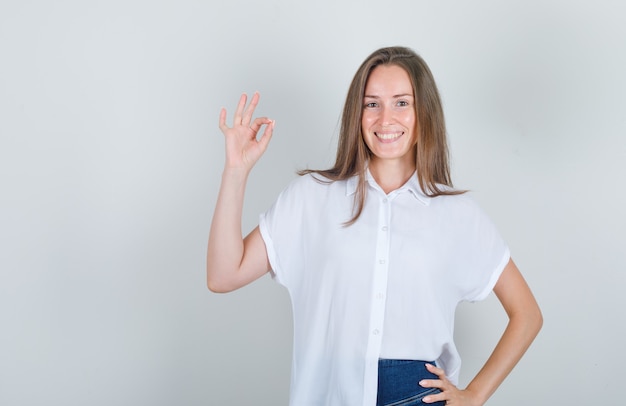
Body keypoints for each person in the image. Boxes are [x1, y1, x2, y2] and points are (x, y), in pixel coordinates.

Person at [207, 46, 542, 406]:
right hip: (330, 392)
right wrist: (236, 172)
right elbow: (224, 275)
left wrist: (475, 394)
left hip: (418, 396)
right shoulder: (311, 197)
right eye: (372, 104)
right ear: (358, 113)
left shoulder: (456, 212)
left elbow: (527, 314)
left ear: (423, 112)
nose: (385, 119)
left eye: (401, 103)